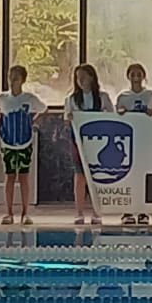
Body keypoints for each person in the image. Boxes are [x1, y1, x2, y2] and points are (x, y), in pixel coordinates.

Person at [0, 63, 46, 228]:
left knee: (23, 177)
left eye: (16, 78)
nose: (12, 81)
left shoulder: (29, 98)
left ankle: (25, 212)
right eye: (10, 77)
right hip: (8, 142)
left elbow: (44, 109)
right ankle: (9, 212)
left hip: (25, 142)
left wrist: (34, 122)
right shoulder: (3, 98)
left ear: (23, 80)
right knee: (9, 176)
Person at [66, 63, 109, 227]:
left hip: (98, 143)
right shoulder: (71, 99)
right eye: (78, 77)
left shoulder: (102, 97)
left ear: (92, 77)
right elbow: (66, 120)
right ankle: (79, 212)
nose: (81, 80)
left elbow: (112, 116)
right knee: (80, 176)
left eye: (84, 76)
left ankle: (97, 212)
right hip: (79, 143)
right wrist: (71, 117)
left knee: (97, 177)